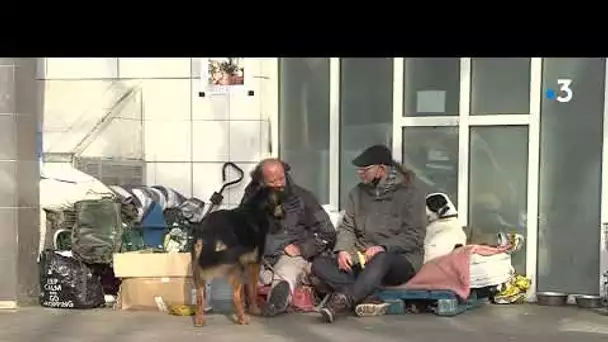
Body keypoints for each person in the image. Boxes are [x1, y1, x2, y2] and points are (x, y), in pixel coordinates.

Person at [311, 144, 427, 323]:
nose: (360, 173)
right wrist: (342, 250)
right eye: (359, 169)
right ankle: (369, 296)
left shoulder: (411, 194)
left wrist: (383, 247)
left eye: (365, 169)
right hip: (362, 257)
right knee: (319, 265)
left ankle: (343, 300)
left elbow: (415, 236)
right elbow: (347, 227)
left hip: (400, 259)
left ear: (381, 169)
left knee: (382, 258)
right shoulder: (357, 194)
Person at [240, 158, 336, 317]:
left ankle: (277, 301)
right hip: (262, 253)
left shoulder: (304, 197)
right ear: (261, 182)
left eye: (281, 178)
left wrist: (302, 248)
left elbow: (328, 233)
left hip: (293, 253)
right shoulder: (251, 199)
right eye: (272, 181)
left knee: (286, 271)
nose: (279, 184)